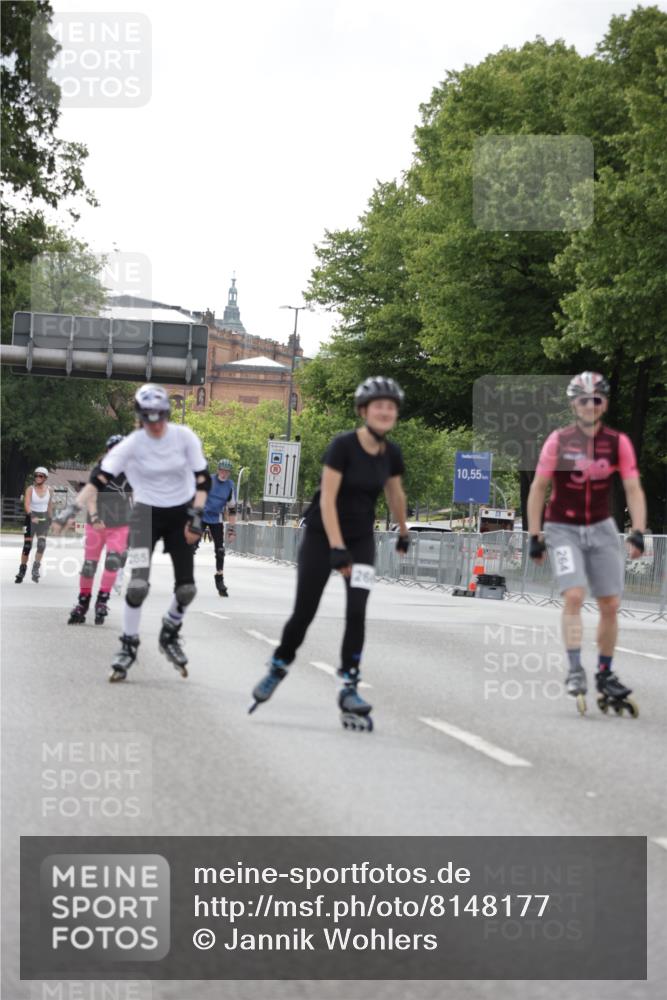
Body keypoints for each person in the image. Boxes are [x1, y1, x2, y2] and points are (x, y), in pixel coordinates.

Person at [249, 376, 410, 730]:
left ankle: (349, 685)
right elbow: (327, 499)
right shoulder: (343, 446)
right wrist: (337, 547)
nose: (386, 411)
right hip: (323, 536)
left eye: (391, 406)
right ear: (364, 410)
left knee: (357, 611)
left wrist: (403, 531)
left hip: (362, 539)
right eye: (379, 405)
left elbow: (395, 494)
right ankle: (279, 665)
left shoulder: (391, 453)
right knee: (305, 611)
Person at [57, 384, 210, 681]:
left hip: (180, 512)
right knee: (138, 585)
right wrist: (70, 510)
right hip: (145, 514)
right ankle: (128, 644)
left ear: (167, 414)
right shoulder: (132, 444)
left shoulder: (184, 437)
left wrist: (197, 515)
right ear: (140, 418)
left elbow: (203, 480)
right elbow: (98, 479)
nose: (155, 425)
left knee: (186, 589)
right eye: (148, 419)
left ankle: (171, 630)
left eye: (160, 418)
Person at [527, 371, 647, 714]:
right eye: (583, 400)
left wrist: (638, 529)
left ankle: (605, 673)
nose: (590, 405)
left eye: (597, 400)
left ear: (604, 404)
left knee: (610, 603)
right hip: (562, 527)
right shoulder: (559, 441)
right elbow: (538, 488)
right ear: (573, 404)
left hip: (601, 527)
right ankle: (575, 668)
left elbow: (633, 488)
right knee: (575, 595)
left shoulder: (617, 442)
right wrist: (535, 535)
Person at [61, 435, 132, 625]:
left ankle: (102, 600)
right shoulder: (99, 470)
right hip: (96, 524)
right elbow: (91, 496)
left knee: (112, 562)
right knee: (89, 566)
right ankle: (82, 603)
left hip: (120, 525)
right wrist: (94, 517)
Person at [198, 458, 237, 596]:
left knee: (220, 550)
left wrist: (232, 530)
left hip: (216, 518)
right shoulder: (209, 480)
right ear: (218, 470)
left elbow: (232, 509)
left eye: (227, 471)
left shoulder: (230, 486)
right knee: (190, 546)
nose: (224, 473)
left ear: (229, 473)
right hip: (201, 515)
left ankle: (219, 579)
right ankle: (184, 578)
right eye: (222, 470)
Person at [15, 467, 53, 584]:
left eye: (41, 476)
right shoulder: (30, 489)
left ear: (45, 478)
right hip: (30, 518)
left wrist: (51, 519)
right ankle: (22, 569)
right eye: (36, 475)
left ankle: (35, 568)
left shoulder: (50, 490)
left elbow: (50, 505)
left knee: (41, 545)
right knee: (27, 546)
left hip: (43, 519)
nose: (38, 478)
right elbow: (26, 504)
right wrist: (32, 516)